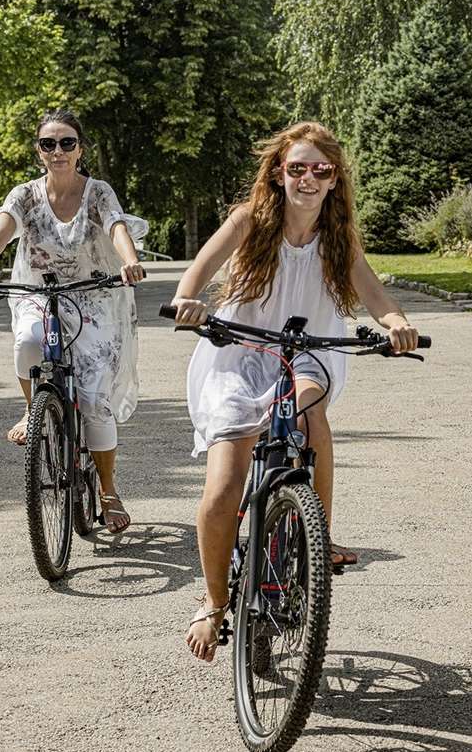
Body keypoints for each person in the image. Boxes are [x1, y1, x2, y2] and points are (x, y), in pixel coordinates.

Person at [167, 121, 419, 661]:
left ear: (334, 180)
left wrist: (397, 322)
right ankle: (213, 603)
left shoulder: (338, 236)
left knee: (310, 416)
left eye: (320, 170)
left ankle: (317, 534)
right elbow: (196, 273)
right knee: (224, 485)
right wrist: (189, 302)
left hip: (308, 352)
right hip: (238, 353)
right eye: (297, 168)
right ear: (278, 174)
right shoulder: (249, 222)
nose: (308, 178)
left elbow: (375, 295)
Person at [0, 110, 147, 533]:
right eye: (49, 144)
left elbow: (117, 227)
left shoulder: (98, 192)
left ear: (80, 149)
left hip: (92, 297)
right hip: (39, 294)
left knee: (96, 398)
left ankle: (108, 489)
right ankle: (33, 409)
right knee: (28, 343)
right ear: (38, 151)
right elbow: (1, 231)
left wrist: (130, 261)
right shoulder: (24, 196)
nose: (58, 151)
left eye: (67, 143)